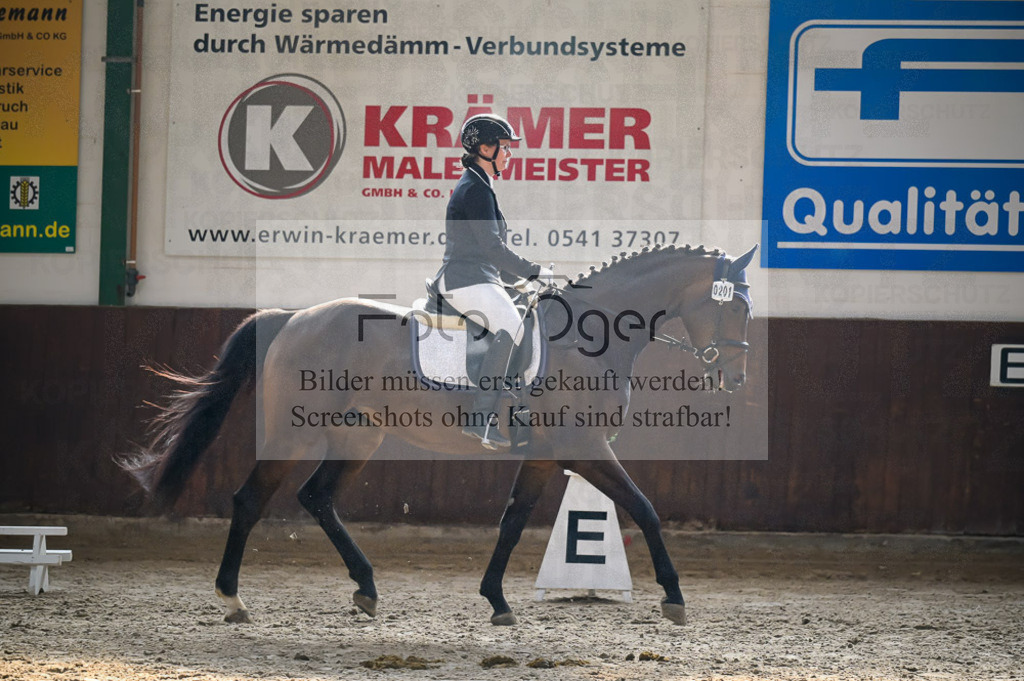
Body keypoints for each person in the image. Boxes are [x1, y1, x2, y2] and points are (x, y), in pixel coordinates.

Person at [431, 113, 554, 449]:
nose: (508, 154)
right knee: (512, 326)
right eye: (504, 147)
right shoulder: (474, 188)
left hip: (480, 277)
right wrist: (534, 271)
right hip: (465, 279)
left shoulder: (480, 185)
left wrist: (524, 282)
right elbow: (493, 248)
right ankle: (481, 420)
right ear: (484, 148)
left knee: (524, 318)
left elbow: (491, 255)